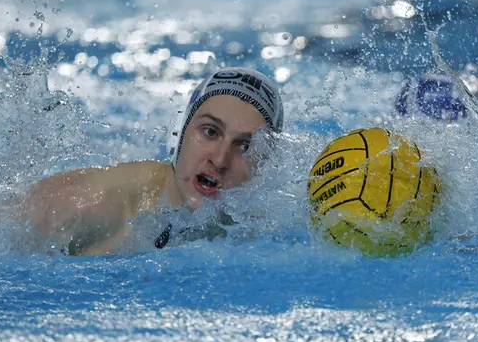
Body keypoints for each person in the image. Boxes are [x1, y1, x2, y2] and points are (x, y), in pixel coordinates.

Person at [19, 67, 284, 256]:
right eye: (210, 132)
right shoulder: (100, 203)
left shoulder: (266, 224)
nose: (220, 159)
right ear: (180, 133)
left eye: (245, 146)